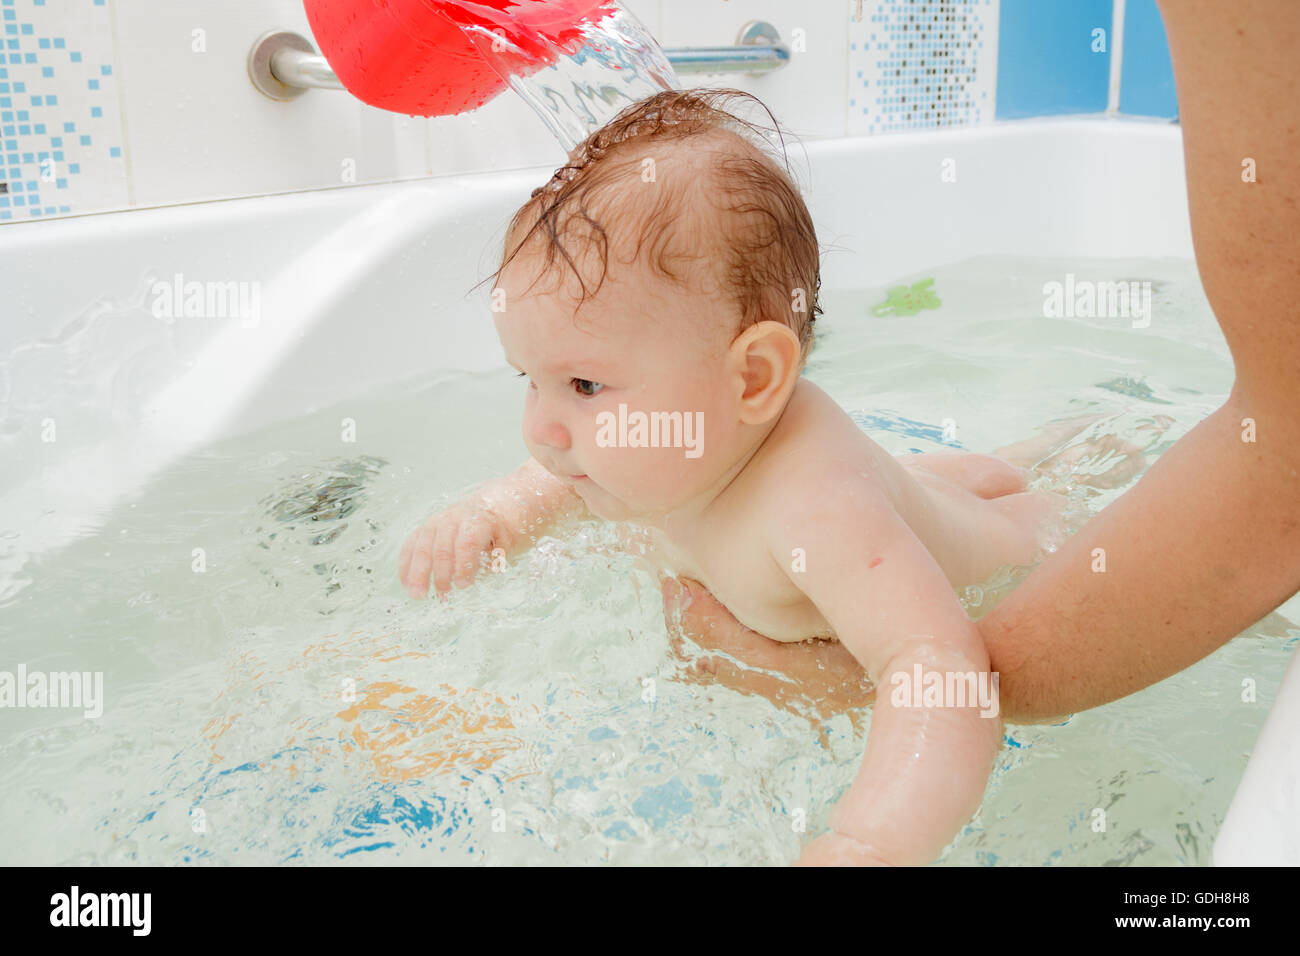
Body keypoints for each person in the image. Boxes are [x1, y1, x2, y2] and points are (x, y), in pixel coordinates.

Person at [398, 87, 1107, 865]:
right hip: (912, 488)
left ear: (754, 378)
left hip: (1012, 551)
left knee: (1029, 496)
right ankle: (1014, 459)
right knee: (934, 485)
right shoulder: (658, 453)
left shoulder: (814, 513)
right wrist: (494, 514)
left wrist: (867, 842)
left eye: (585, 386)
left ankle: (1070, 452)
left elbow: (936, 667)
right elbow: (557, 478)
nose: (541, 430)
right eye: (529, 381)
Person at [665, 0, 1300, 726]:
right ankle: (1036, 459)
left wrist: (828, 682)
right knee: (952, 492)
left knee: (1019, 515)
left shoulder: (813, 511)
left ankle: (1048, 472)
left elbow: (1285, 460)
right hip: (945, 502)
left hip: (1007, 541)